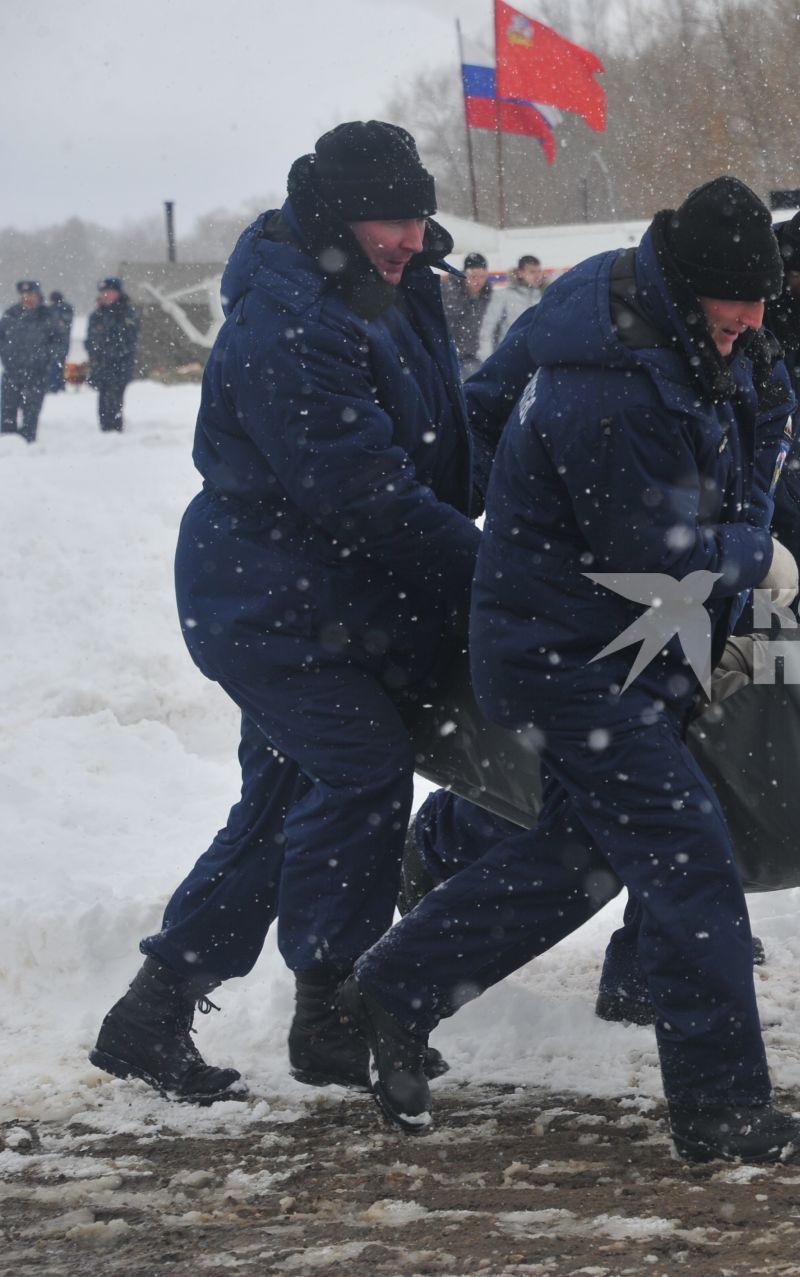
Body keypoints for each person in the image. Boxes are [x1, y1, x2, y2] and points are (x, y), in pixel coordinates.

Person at [336, 176, 800, 1165]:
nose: (754, 320)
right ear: (690, 288)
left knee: (582, 855)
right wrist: (755, 556)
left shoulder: (686, 328)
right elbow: (657, 548)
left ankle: (394, 985)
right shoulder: (611, 385)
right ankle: (722, 1108)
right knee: (689, 855)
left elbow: (738, 448)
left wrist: (760, 414)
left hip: (604, 646)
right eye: (740, 303)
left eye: (763, 302)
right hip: (566, 654)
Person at [88, 121, 480, 1105]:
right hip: (267, 599)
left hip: (333, 597)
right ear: (341, 214)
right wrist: (493, 576)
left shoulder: (393, 281)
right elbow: (365, 495)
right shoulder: (291, 323)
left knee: (281, 803)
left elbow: (441, 427)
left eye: (419, 215)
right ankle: (330, 1001)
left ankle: (155, 1007)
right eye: (394, 218)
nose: (411, 236)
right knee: (360, 766)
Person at [592, 193, 800, 1024]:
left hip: (788, 569)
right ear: (796, 273)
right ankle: (644, 953)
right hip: (717, 568)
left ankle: (683, 927)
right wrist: (729, 555)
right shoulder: (747, 324)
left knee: (737, 746)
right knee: (689, 752)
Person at [0, 280, 63, 442]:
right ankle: (7, 444)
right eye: (24, 294)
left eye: (31, 294)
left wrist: (46, 357)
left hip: (36, 375)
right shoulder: (10, 314)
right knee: (7, 413)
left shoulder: (47, 316)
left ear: (38, 296)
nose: (27, 298)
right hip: (12, 374)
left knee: (30, 414)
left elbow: (59, 342)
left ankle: (27, 449)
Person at [84, 277, 140, 432]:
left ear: (118, 293)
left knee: (114, 400)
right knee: (103, 400)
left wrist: (110, 354)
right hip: (100, 367)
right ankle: (105, 430)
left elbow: (129, 341)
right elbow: (89, 340)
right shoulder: (96, 315)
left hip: (119, 367)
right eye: (104, 292)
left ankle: (114, 430)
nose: (106, 295)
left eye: (109, 292)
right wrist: (95, 355)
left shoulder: (127, 313)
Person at [476, 252, 542, 358]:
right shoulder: (504, 295)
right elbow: (487, 329)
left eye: (539, 271)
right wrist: (487, 360)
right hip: (510, 356)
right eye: (532, 272)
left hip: (539, 358)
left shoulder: (545, 295)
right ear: (520, 273)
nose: (537, 275)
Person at [443, 251, 492, 377]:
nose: (478, 281)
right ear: (464, 274)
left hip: (478, 355)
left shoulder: (490, 296)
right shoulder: (449, 293)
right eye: (473, 276)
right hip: (451, 355)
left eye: (482, 276)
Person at [46, 289, 75, 393]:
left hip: (56, 341)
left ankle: (55, 386)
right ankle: (59, 384)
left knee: (54, 363)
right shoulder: (67, 308)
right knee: (59, 363)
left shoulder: (53, 310)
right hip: (64, 341)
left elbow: (54, 325)